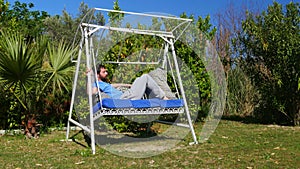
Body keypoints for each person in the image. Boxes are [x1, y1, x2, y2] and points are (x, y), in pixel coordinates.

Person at [91, 64, 168, 100]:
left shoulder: (104, 84)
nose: (106, 73)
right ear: (97, 74)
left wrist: (130, 85)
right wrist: (90, 76)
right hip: (125, 98)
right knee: (145, 77)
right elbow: (92, 92)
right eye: (104, 72)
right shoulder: (96, 84)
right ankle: (164, 98)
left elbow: (115, 85)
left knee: (138, 79)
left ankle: (158, 97)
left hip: (127, 94)